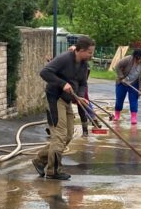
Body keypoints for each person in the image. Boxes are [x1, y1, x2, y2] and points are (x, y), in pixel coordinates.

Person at [33, 36, 95, 180]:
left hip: (67, 100)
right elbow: (44, 72)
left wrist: (80, 97)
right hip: (55, 99)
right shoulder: (65, 58)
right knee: (59, 136)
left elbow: (83, 83)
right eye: (90, 52)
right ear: (81, 50)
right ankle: (53, 170)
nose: (92, 55)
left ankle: (40, 160)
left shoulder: (84, 64)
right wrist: (62, 84)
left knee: (67, 136)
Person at [113, 48, 141, 125]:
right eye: (138, 58)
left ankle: (134, 118)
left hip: (134, 84)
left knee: (133, 101)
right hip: (122, 83)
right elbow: (117, 67)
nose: (140, 61)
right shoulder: (128, 59)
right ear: (134, 56)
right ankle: (117, 115)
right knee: (119, 100)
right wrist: (122, 77)